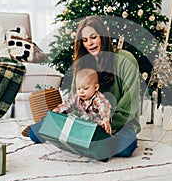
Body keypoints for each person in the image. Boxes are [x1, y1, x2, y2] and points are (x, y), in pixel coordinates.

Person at [27, 15, 141, 158]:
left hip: (118, 124)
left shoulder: (125, 60)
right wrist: (70, 119)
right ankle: (94, 142)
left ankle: (92, 141)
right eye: (85, 40)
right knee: (34, 133)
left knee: (126, 147)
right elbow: (75, 99)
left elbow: (130, 104)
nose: (90, 43)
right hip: (86, 121)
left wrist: (106, 123)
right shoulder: (82, 63)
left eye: (94, 37)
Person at [52, 67, 112, 135]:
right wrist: (55, 111)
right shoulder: (77, 98)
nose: (81, 92)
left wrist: (106, 119)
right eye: (78, 88)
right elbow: (67, 105)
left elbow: (104, 107)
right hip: (83, 125)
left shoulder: (98, 98)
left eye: (85, 89)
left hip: (97, 126)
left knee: (101, 129)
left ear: (96, 88)